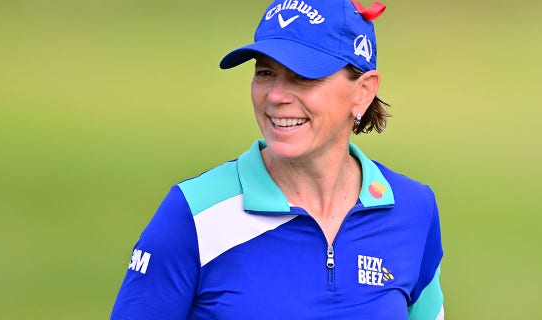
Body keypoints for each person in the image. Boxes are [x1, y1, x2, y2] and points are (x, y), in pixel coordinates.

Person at [110, 0, 444, 319]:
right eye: (266, 73)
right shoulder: (195, 214)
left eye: (303, 76)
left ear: (363, 91)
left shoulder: (413, 209)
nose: (276, 96)